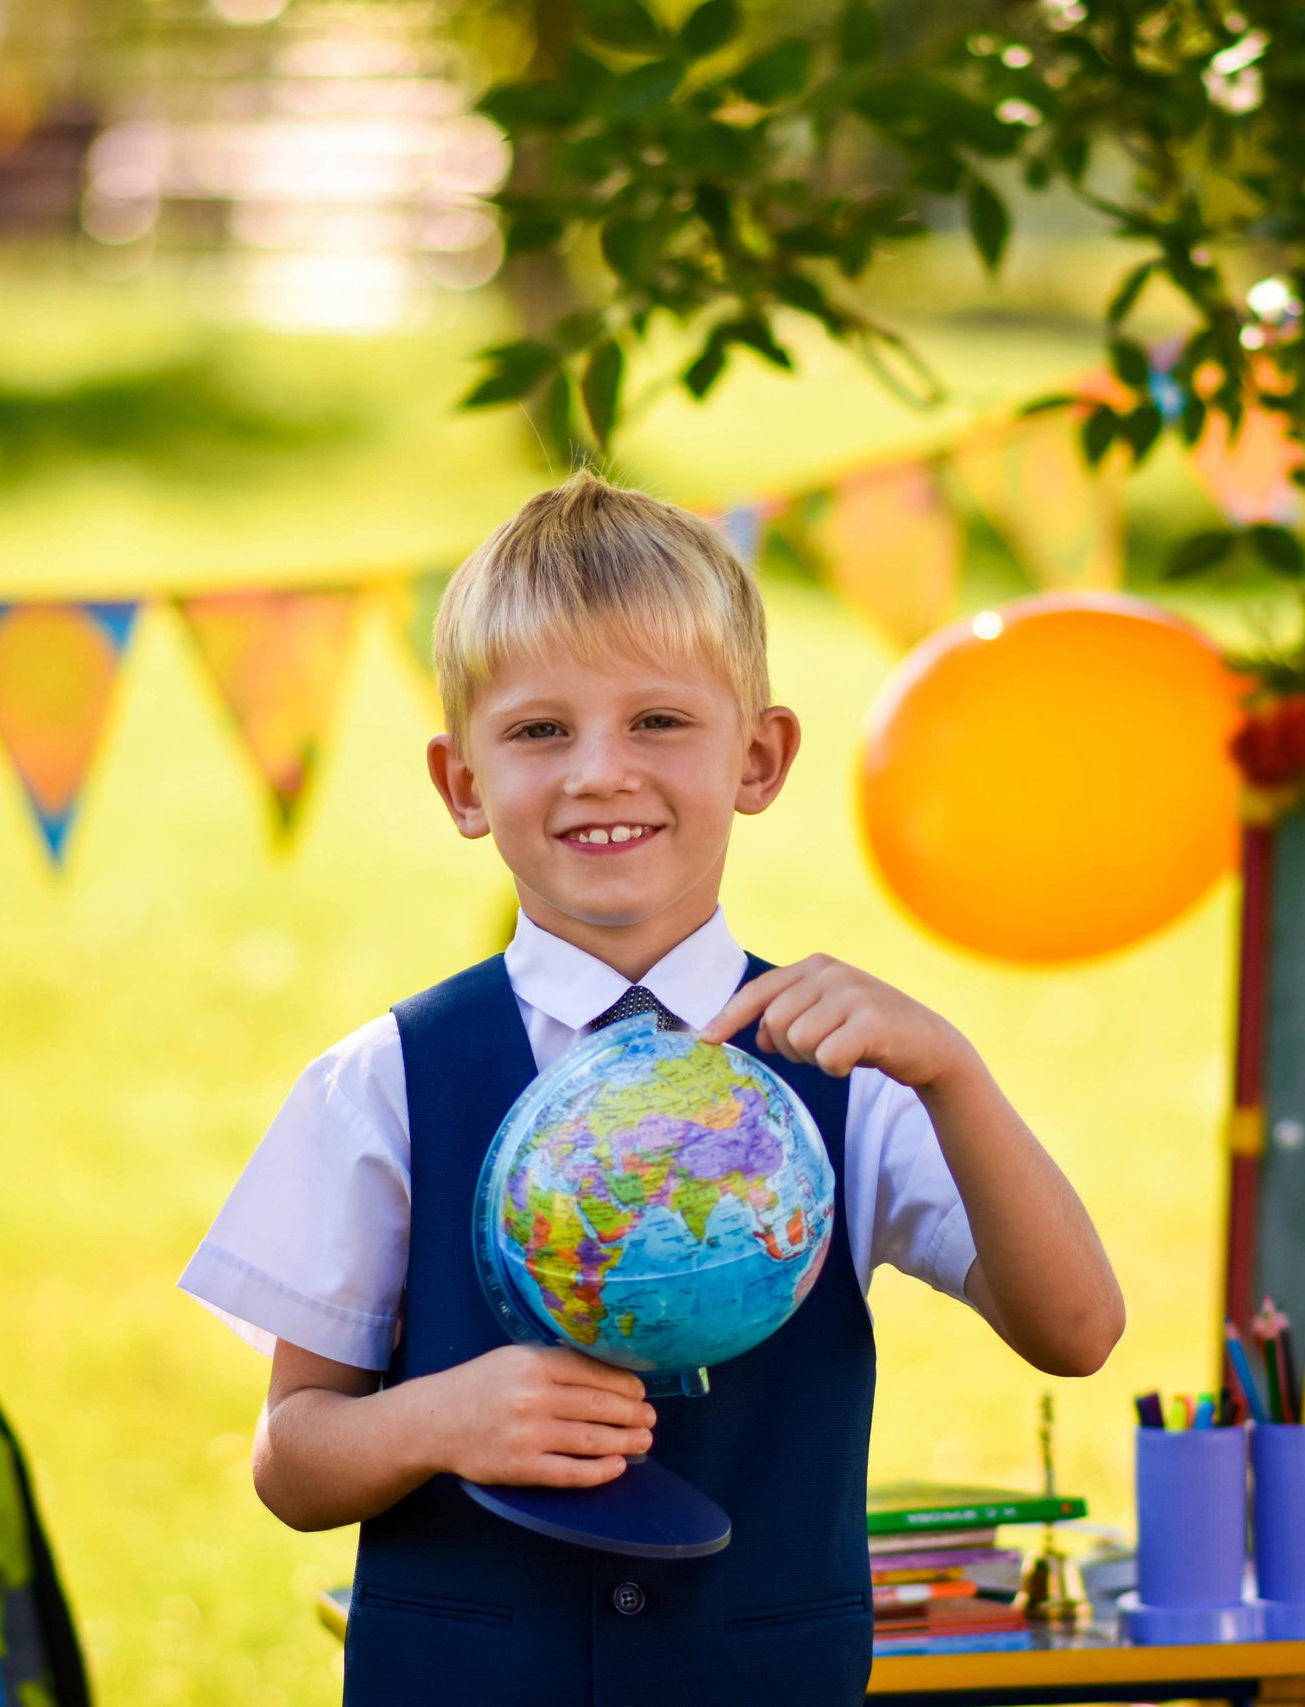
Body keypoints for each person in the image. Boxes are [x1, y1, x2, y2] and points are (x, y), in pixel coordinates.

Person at [180, 470, 1125, 1706]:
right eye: (537, 732)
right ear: (461, 782)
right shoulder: (385, 1082)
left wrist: (953, 1072)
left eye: (658, 723)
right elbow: (291, 1463)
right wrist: (438, 1420)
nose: (599, 774)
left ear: (761, 755)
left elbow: (1076, 1332)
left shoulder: (852, 1073)